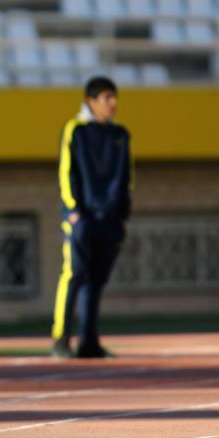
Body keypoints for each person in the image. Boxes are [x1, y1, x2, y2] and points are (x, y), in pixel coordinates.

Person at [51, 76, 133, 359]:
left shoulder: (121, 134)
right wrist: (73, 211)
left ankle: (89, 342)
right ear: (91, 101)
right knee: (74, 274)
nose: (113, 103)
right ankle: (61, 340)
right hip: (82, 218)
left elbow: (127, 178)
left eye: (114, 97)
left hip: (110, 220)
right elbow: (67, 171)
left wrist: (124, 216)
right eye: (107, 97)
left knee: (96, 280)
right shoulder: (75, 130)